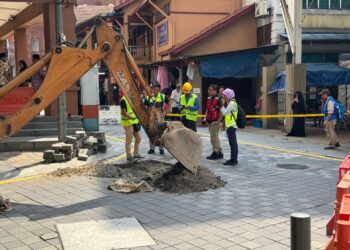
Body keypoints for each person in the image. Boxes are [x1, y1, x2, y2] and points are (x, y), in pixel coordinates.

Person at [120, 92, 143, 161]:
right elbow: (124, 112)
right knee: (129, 140)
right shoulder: (123, 100)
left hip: (133, 122)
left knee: (138, 138)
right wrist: (131, 117)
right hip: (127, 123)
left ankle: (136, 154)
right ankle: (129, 156)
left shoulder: (130, 100)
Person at [145, 82, 165, 155]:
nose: (155, 91)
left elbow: (159, 105)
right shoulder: (148, 97)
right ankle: (152, 148)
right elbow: (146, 107)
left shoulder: (162, 96)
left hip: (159, 118)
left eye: (157, 90)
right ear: (152, 90)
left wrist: (165, 113)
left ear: (159, 90)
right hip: (151, 118)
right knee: (151, 133)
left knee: (160, 133)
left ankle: (161, 148)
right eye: (154, 90)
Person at [205, 84, 223, 160]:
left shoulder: (219, 99)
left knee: (213, 138)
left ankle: (216, 152)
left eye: (211, 90)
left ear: (215, 91)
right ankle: (219, 152)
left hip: (215, 122)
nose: (209, 91)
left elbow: (221, 111)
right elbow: (208, 109)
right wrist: (205, 118)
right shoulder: (209, 98)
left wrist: (218, 121)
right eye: (209, 89)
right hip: (210, 120)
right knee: (215, 138)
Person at [221, 88, 239, 166]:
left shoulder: (232, 103)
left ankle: (233, 160)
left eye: (224, 96)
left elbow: (224, 113)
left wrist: (222, 105)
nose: (223, 97)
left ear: (228, 95)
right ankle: (233, 159)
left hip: (231, 126)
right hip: (230, 126)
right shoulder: (231, 103)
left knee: (233, 144)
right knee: (233, 143)